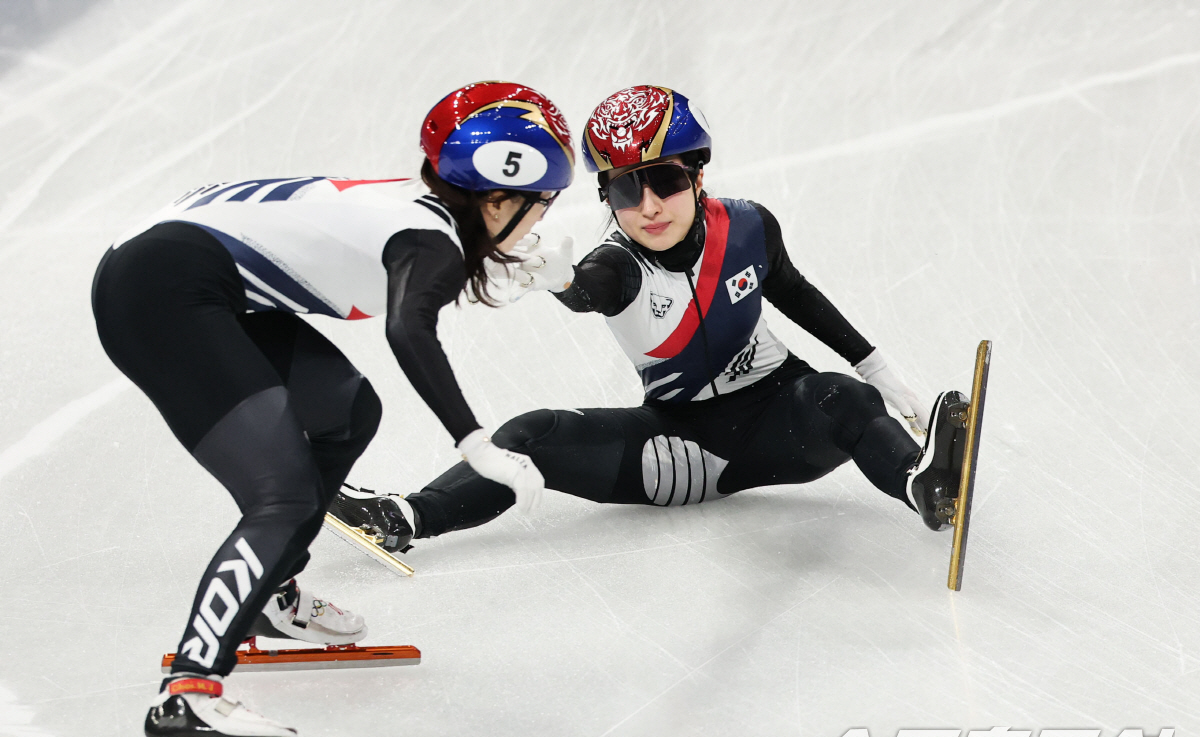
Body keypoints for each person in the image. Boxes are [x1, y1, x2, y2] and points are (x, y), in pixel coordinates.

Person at [91, 81, 573, 737]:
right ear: (499, 196)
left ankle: (267, 594)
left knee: (346, 412)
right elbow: (410, 326)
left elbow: (417, 264)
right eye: (543, 202)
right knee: (282, 496)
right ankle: (188, 691)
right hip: (164, 293)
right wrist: (475, 443)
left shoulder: (420, 214)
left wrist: (512, 267)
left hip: (175, 271)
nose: (542, 216)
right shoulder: (429, 240)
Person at [332, 84, 964, 562]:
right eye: (624, 191)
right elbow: (587, 291)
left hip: (788, 422)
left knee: (838, 393)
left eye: (663, 180)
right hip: (687, 450)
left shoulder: (747, 226)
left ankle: (921, 484)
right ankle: (407, 518)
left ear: (697, 173)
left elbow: (795, 291)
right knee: (532, 433)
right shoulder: (617, 264)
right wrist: (558, 279)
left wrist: (881, 373)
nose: (649, 206)